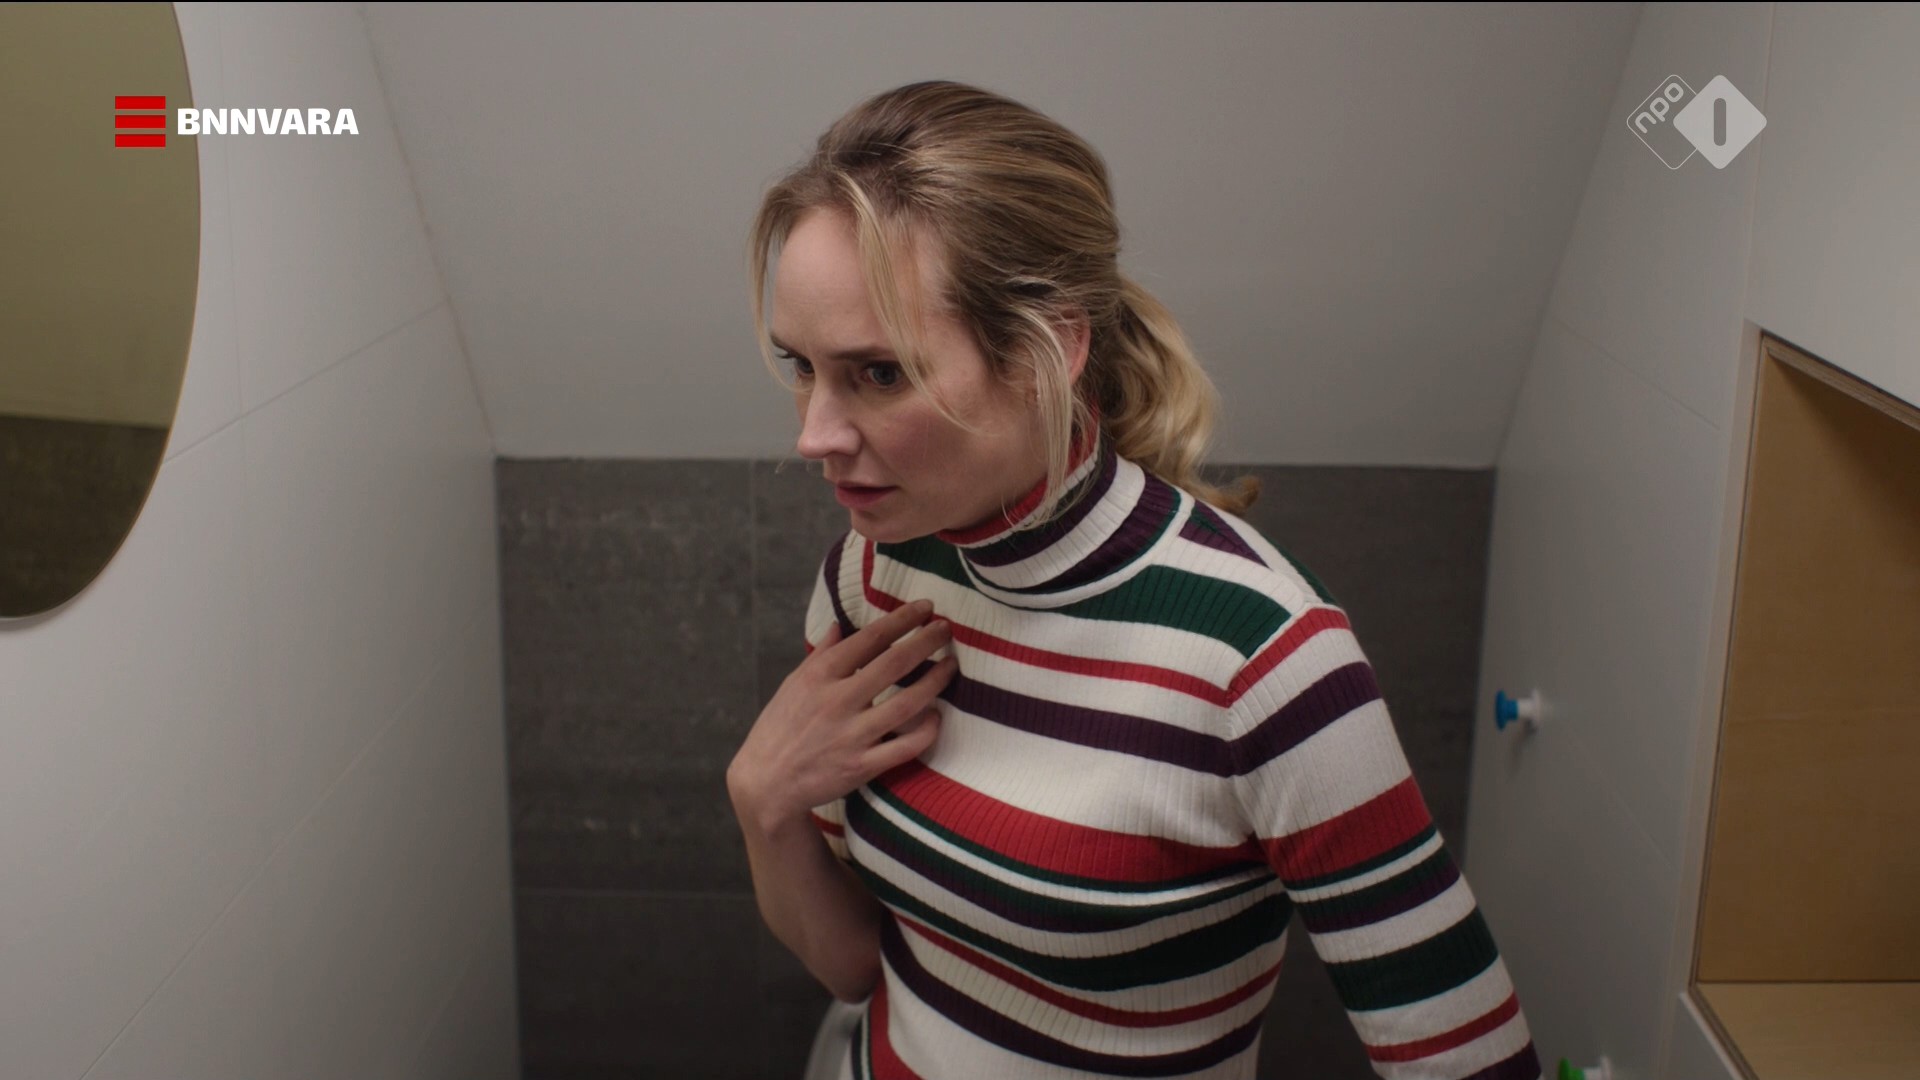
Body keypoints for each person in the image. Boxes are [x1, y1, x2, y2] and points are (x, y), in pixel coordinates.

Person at [726, 79, 1542, 1080]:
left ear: (1052, 349)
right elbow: (859, 965)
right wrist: (762, 802)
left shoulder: (1264, 659)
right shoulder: (871, 572)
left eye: (880, 373)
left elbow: (1470, 1055)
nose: (813, 435)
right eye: (801, 366)